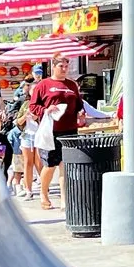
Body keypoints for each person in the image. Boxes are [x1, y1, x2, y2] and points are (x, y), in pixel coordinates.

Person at [30, 59, 88, 213]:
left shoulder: (71, 85)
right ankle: (44, 193)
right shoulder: (44, 84)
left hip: (70, 130)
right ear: (53, 67)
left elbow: (79, 104)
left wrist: (81, 113)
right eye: (61, 66)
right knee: (50, 165)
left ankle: (64, 200)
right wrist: (46, 110)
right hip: (51, 130)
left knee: (66, 165)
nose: (64, 69)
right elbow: (33, 106)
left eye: (66, 66)